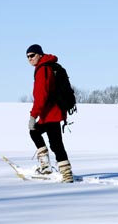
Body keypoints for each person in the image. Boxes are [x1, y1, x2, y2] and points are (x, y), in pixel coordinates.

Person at [26, 44, 74, 183]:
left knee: (56, 143)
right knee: (35, 133)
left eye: (32, 55)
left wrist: (33, 115)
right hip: (50, 113)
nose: (30, 59)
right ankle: (46, 167)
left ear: (40, 55)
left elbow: (41, 96)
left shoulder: (43, 69)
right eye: (27, 57)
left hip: (52, 113)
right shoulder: (47, 66)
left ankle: (66, 175)